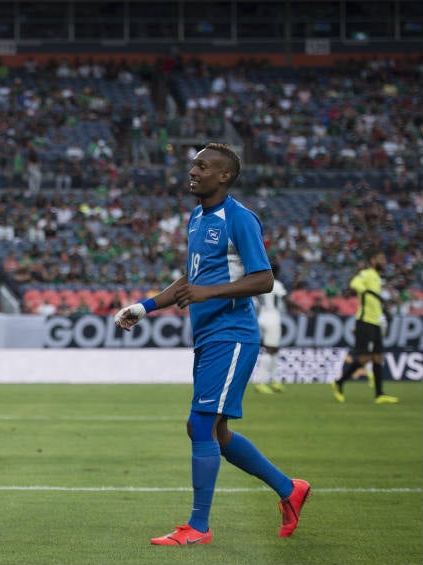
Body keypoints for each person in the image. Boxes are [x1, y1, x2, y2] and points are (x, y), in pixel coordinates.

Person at [114, 143, 310, 546]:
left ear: (224, 176)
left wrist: (210, 293)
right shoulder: (196, 219)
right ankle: (289, 489)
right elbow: (189, 281)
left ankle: (198, 527)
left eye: (203, 166)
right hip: (207, 336)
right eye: (193, 164)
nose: (193, 171)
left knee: (203, 423)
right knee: (209, 430)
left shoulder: (240, 219)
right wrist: (144, 306)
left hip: (233, 334)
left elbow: (263, 279)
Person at [332, 249, 399, 404]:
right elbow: (354, 283)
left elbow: (374, 301)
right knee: (364, 358)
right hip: (365, 321)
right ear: (372, 260)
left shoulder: (377, 277)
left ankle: (380, 394)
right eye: (381, 258)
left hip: (376, 321)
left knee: (377, 357)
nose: (384, 261)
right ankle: (339, 382)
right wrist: (365, 290)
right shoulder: (367, 273)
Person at [254, 263, 288, 394]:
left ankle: (274, 380)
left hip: (262, 316)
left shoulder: (261, 283)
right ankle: (260, 382)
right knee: (270, 349)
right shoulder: (276, 283)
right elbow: (286, 298)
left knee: (275, 350)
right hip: (272, 317)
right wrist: (302, 309)